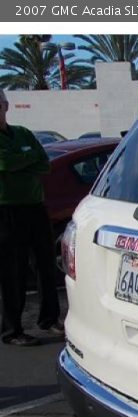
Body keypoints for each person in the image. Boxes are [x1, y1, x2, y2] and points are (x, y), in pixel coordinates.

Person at [0, 89, 62, 346]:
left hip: (35, 207)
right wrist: (26, 159)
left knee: (46, 265)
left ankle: (49, 319)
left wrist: (17, 161)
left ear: (5, 106)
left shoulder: (23, 133)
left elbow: (44, 163)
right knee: (12, 272)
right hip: (5, 210)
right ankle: (12, 331)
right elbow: (3, 164)